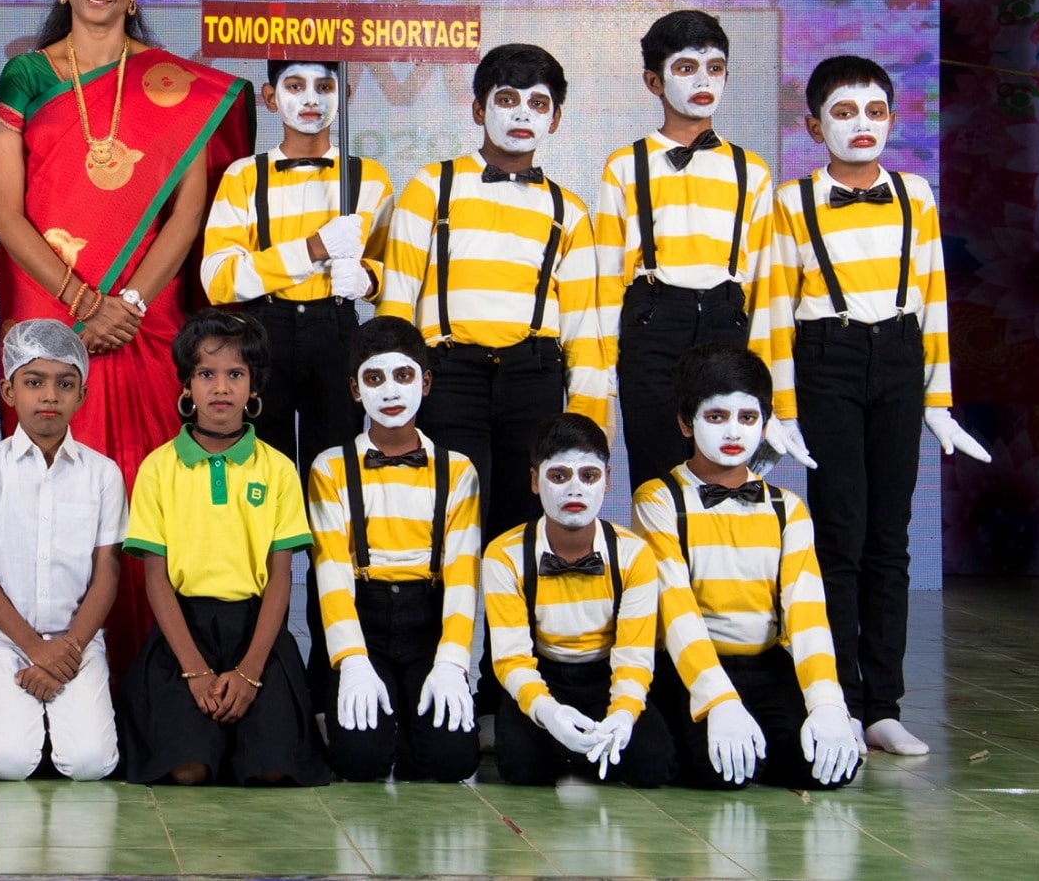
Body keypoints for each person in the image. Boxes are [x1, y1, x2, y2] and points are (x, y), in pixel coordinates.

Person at [0, 0, 253, 663]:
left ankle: (156, 670)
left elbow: (189, 214)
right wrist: (83, 303)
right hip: (48, 301)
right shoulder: (28, 75)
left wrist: (127, 303)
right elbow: (5, 213)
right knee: (50, 477)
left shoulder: (176, 86)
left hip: (146, 310)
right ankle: (44, 657)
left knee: (147, 480)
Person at [750, 55, 987, 758]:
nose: (861, 124)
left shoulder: (915, 194)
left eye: (875, 111)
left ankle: (884, 705)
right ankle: (841, 700)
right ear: (813, 125)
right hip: (827, 358)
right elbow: (774, 310)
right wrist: (780, 410)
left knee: (891, 537)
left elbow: (934, 298)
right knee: (840, 533)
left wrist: (937, 400)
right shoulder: (791, 202)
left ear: (892, 118)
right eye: (844, 112)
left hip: (901, 358)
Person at [379, 43, 610, 538]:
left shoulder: (568, 210)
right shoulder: (433, 186)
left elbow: (582, 328)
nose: (522, 114)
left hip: (534, 374)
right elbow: (396, 300)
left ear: (555, 119)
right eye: (507, 99)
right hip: (448, 374)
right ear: (479, 110)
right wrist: (391, 387)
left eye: (538, 103)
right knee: (448, 517)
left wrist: (589, 429)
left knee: (523, 524)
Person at [632, 343, 861, 790]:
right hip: (689, 666)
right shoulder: (659, 500)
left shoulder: (787, 508)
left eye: (748, 417)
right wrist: (719, 700)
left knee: (827, 768)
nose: (733, 431)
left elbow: (807, 613)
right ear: (686, 423)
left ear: (766, 424)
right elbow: (676, 610)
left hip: (766, 666)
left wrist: (828, 704)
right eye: (716, 417)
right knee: (720, 772)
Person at [119, 311, 329, 786]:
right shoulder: (158, 468)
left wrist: (250, 672)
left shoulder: (278, 469)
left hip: (257, 633)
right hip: (183, 632)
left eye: (235, 374)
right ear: (186, 385)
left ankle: (246, 737)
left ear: (254, 387)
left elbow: (281, 577)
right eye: (206, 374)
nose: (220, 388)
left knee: (271, 773)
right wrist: (194, 671)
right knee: (188, 771)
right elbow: (156, 578)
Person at [594, 10, 773, 487]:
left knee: (723, 465)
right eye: (686, 68)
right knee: (656, 466)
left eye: (715, 68)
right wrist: (601, 373)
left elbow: (763, 284)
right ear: (654, 81)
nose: (703, 80)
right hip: (652, 321)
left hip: (726, 318)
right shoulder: (626, 165)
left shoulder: (751, 170)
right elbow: (607, 278)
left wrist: (767, 380)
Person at [306, 315, 481, 784]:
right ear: (354, 389)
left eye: (403, 376)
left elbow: (463, 578)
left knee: (453, 761)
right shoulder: (329, 468)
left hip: (427, 625)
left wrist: (452, 663)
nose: (390, 392)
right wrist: (352, 660)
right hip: (364, 620)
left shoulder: (458, 470)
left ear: (425, 383)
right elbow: (331, 575)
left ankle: (409, 724)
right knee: (359, 763)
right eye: (374, 378)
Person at [200, 59, 393, 469]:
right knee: (264, 462)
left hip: (337, 328)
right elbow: (219, 280)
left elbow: (393, 271)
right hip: (264, 328)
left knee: (337, 461)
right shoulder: (243, 176)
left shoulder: (370, 177)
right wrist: (312, 249)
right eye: (295, 86)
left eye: (324, 87)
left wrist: (367, 279)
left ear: (344, 95)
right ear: (270, 98)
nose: (310, 99)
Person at [0, 320, 126, 781]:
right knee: (9, 763)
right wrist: (34, 649)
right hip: (4, 639)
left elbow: (106, 574)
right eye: (34, 382)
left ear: (82, 395)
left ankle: (62, 718)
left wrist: (66, 651)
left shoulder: (103, 473)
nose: (50, 396)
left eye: (64, 384)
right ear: (8, 392)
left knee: (91, 764)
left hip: (77, 640)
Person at [482, 412, 675, 787]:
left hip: (605, 677)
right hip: (543, 675)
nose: (575, 490)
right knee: (520, 768)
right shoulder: (504, 554)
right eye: (559, 476)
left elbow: (634, 656)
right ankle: (570, 750)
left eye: (589, 476)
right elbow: (511, 657)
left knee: (654, 765)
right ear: (535, 480)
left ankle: (579, 752)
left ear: (607, 480)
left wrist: (623, 714)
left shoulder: (634, 553)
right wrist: (547, 712)